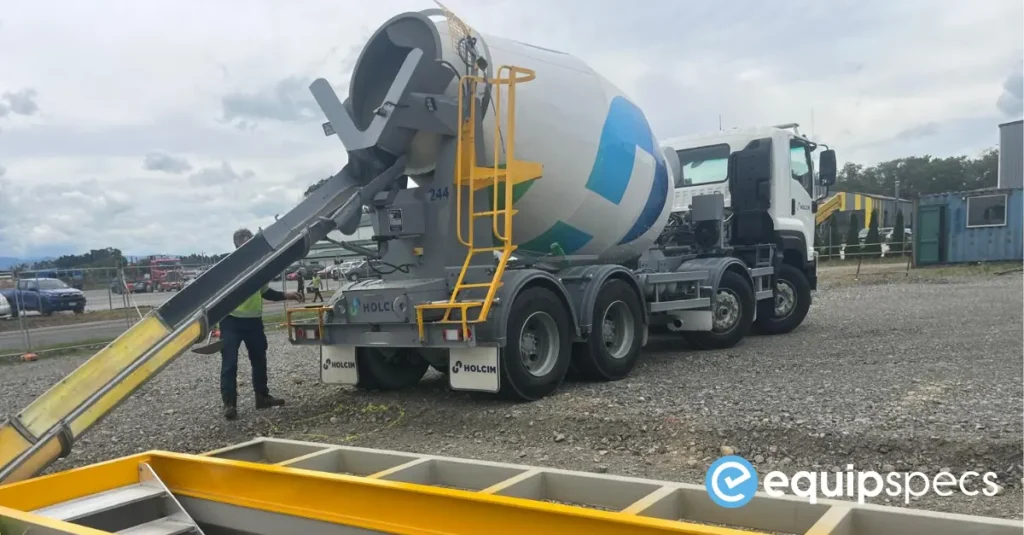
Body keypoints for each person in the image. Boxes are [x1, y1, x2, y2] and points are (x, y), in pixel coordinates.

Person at [217, 228, 304, 420]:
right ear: (237, 246)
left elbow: (264, 292)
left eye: (250, 243)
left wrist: (285, 295)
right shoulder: (229, 266)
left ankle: (262, 397)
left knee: (259, 360)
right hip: (231, 321)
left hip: (254, 322)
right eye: (244, 243)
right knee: (229, 363)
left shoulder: (259, 267)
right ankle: (229, 404)